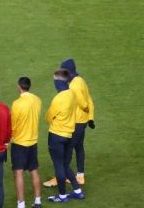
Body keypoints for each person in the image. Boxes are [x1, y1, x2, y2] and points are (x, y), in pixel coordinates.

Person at [44, 59, 94, 188]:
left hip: (76, 122)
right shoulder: (80, 80)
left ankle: (61, 177)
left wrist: (86, 109)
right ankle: (80, 176)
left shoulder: (73, 86)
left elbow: (83, 103)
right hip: (82, 120)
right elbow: (89, 98)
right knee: (79, 147)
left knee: (66, 150)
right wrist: (90, 116)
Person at [44, 69, 85, 203]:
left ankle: (62, 196)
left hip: (56, 135)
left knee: (59, 165)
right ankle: (77, 191)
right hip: (69, 134)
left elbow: (48, 117)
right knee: (64, 164)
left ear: (58, 82)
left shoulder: (58, 98)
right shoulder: (72, 94)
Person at [10, 77, 43, 208]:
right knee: (34, 170)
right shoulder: (37, 100)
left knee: (18, 173)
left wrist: (8, 139)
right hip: (33, 141)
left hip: (19, 143)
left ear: (19, 87)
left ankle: (21, 204)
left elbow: (13, 125)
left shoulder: (17, 104)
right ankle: (38, 201)